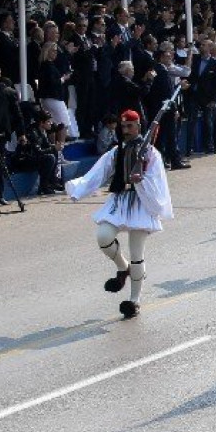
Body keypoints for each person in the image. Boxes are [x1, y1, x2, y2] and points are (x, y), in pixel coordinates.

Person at [65, 109, 174, 319]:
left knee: (137, 253)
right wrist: (79, 189)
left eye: (129, 126)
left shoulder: (151, 153)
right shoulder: (117, 151)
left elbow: (158, 181)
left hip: (141, 203)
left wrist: (141, 180)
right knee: (103, 237)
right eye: (123, 126)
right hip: (120, 200)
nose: (125, 130)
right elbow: (99, 172)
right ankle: (122, 268)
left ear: (138, 126)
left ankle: (134, 300)